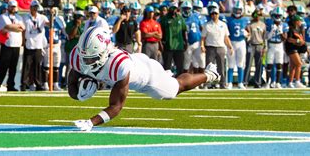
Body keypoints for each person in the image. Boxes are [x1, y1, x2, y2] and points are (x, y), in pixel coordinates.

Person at [69, 27, 220, 131]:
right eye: (84, 58)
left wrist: (91, 122)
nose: (85, 63)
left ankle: (209, 74)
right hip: (134, 62)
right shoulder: (78, 56)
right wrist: (78, 95)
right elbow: (71, 84)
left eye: (91, 59)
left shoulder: (119, 66)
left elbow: (116, 106)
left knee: (175, 88)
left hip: (148, 76)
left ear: (105, 52)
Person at [0, 0, 25, 91]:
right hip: (7, 43)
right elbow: (7, 26)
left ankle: (10, 85)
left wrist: (12, 27)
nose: (13, 8)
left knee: (13, 67)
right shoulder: (3, 16)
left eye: (14, 7)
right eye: (11, 6)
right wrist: (16, 27)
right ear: (8, 7)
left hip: (16, 44)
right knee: (3, 66)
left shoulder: (19, 17)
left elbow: (22, 28)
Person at [202, 5, 233, 89]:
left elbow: (226, 37)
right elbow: (203, 37)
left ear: (218, 14)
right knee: (209, 67)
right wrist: (202, 46)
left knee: (221, 67)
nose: (214, 15)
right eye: (212, 14)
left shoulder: (223, 25)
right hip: (210, 47)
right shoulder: (207, 25)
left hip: (220, 47)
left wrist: (230, 47)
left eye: (216, 13)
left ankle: (222, 84)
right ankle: (208, 84)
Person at [22, 1, 49, 91]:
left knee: (38, 66)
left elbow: (50, 24)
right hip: (29, 44)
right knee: (27, 66)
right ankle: (24, 84)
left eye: (36, 7)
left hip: (38, 45)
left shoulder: (42, 17)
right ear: (30, 8)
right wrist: (23, 41)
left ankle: (38, 83)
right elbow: (23, 30)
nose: (35, 9)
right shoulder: (26, 17)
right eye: (33, 7)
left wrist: (52, 16)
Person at [226, 1, 250, 89]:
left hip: (241, 42)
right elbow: (226, 33)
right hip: (231, 42)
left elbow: (249, 32)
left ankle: (240, 82)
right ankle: (229, 82)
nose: (237, 12)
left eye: (239, 10)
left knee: (240, 63)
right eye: (236, 10)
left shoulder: (245, 20)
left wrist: (247, 34)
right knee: (231, 63)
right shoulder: (228, 19)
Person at [160, 3, 188, 76]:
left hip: (179, 46)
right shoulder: (164, 19)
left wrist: (186, 42)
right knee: (166, 67)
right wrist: (161, 43)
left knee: (180, 67)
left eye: (175, 9)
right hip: (168, 46)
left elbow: (184, 31)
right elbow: (161, 32)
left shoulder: (180, 18)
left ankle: (180, 83)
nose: (174, 11)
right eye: (172, 9)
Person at [264, 7, 288, 89]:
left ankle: (277, 82)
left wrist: (281, 32)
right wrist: (272, 31)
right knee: (269, 65)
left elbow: (284, 38)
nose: (277, 17)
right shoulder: (269, 23)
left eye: (279, 15)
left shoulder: (284, 25)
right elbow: (267, 37)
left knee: (279, 64)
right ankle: (268, 82)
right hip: (271, 45)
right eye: (276, 15)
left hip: (279, 45)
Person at [44, 7, 66, 91]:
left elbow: (63, 31)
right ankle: (45, 84)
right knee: (46, 66)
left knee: (56, 65)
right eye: (51, 11)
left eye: (54, 11)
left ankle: (55, 84)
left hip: (57, 44)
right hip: (48, 44)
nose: (52, 13)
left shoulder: (59, 20)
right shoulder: (45, 19)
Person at [181, 1, 205, 76]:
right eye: (185, 9)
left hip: (197, 42)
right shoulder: (180, 18)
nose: (187, 10)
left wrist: (203, 43)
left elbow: (202, 28)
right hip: (187, 43)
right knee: (186, 62)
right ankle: (185, 79)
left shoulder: (196, 16)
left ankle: (201, 81)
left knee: (201, 61)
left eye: (188, 9)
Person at [244, 9, 266, 88]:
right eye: (256, 15)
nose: (258, 17)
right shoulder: (249, 24)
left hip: (259, 45)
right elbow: (247, 34)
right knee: (248, 64)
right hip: (251, 45)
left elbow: (264, 37)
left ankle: (258, 82)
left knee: (259, 65)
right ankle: (245, 82)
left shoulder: (263, 25)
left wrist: (264, 47)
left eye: (259, 15)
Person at [285, 14, 307, 89]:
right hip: (291, 48)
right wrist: (297, 41)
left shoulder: (299, 29)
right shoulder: (291, 29)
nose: (300, 22)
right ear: (296, 21)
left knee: (293, 66)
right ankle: (297, 81)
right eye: (299, 21)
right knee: (299, 64)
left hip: (296, 48)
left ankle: (290, 82)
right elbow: (289, 39)